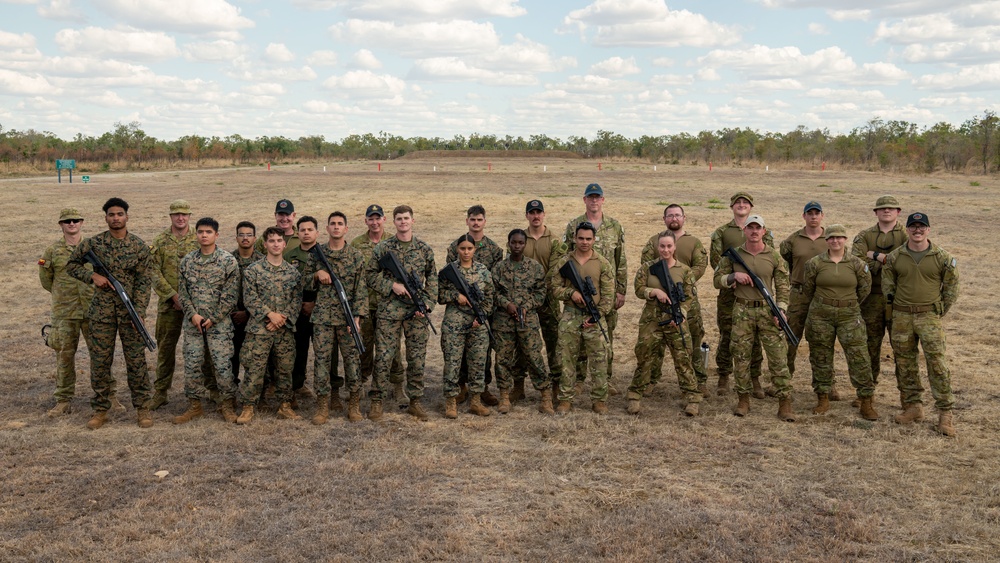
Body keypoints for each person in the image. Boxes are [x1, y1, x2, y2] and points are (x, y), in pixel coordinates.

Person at [66, 197, 155, 429]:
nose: (116, 218)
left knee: (136, 361)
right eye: (111, 214)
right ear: (105, 218)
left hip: (129, 312)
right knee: (100, 362)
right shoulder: (93, 244)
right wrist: (92, 276)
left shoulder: (138, 246)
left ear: (127, 216)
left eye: (120, 214)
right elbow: (72, 265)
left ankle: (143, 408)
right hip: (102, 313)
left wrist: (140, 311)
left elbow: (145, 281)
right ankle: (100, 410)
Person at [884, 212, 960, 437]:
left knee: (937, 364)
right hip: (902, 317)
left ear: (928, 229)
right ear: (906, 229)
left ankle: (945, 413)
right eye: (913, 226)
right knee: (905, 364)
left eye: (922, 226)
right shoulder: (896, 257)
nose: (917, 230)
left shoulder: (942, 257)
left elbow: (951, 289)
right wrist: (896, 313)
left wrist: (937, 311)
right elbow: (889, 289)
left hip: (929, 316)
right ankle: (913, 406)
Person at [713, 214, 794, 422]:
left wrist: (782, 309)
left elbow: (783, 286)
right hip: (742, 311)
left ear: (764, 231)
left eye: (758, 228)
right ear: (745, 231)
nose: (754, 231)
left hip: (768, 310)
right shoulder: (732, 256)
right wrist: (733, 277)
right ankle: (743, 399)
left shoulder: (774, 256)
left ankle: (784, 402)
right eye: (751, 228)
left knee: (778, 358)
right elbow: (716, 280)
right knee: (740, 357)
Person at [365, 205, 437, 421]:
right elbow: (369, 275)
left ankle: (415, 400)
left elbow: (432, 278)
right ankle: (377, 401)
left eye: (406, 218)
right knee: (385, 357)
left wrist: (427, 304)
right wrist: (391, 286)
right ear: (393, 222)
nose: (403, 222)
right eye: (399, 219)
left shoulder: (424, 249)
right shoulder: (384, 248)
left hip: (416, 311)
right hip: (390, 310)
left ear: (412, 221)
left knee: (416, 358)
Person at [39, 208, 113, 416]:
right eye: (67, 221)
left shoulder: (93, 247)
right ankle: (63, 399)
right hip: (65, 312)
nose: (71, 224)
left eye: (75, 221)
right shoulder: (52, 251)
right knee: (64, 356)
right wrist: (63, 294)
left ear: (81, 223)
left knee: (101, 354)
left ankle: (109, 395)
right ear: (61, 225)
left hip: (93, 309)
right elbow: (46, 280)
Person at [801, 224, 878, 420]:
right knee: (820, 356)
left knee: (859, 357)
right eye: (831, 238)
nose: (835, 241)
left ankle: (866, 401)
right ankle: (823, 397)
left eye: (839, 238)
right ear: (826, 240)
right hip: (820, 314)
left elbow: (865, 288)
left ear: (845, 240)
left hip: (849, 315)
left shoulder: (857, 264)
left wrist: (847, 303)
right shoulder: (815, 263)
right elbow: (808, 288)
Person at [173, 217, 241, 424]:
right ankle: (194, 406)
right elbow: (182, 293)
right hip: (193, 324)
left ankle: (227, 405)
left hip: (219, 325)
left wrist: (214, 318)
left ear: (216, 235)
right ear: (196, 234)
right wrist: (193, 314)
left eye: (208, 232)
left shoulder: (228, 261)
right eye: (201, 231)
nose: (204, 235)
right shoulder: (188, 261)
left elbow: (231, 296)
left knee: (222, 366)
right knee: (193, 365)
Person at [638, 204, 709, 395]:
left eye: (677, 215)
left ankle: (697, 380)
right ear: (664, 219)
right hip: (659, 304)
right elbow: (646, 266)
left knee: (691, 341)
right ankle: (651, 379)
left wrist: (680, 282)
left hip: (687, 301)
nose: (674, 218)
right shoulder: (655, 241)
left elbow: (700, 266)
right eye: (670, 215)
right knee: (655, 343)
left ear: (684, 218)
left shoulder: (693, 242)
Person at [563, 184, 626, 394]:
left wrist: (620, 290)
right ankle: (579, 379)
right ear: (585, 200)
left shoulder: (615, 227)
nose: (594, 201)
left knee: (605, 334)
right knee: (580, 336)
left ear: (603, 200)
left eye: (597, 197)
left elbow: (621, 260)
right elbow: (566, 259)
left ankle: (604, 380)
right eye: (590, 197)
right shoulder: (574, 225)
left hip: (606, 292)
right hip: (579, 293)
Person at [236, 227, 304, 424]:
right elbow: (250, 298)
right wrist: (270, 315)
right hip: (259, 329)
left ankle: (284, 405)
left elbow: (296, 300)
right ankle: (249, 406)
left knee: (284, 369)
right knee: (255, 368)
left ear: (284, 244)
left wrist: (282, 319)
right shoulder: (253, 271)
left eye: (279, 240)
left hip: (284, 329)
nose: (275, 244)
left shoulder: (293, 273)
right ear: (264, 244)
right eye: (271, 241)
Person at [628, 231, 700, 416]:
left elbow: (690, 297)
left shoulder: (685, 271)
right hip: (652, 318)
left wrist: (682, 313)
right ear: (657, 247)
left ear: (675, 247)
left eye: (669, 246)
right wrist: (654, 292)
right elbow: (638, 289)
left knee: (683, 356)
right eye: (662, 246)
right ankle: (635, 394)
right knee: (644, 354)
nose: (665, 249)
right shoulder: (647, 268)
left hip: (675, 319)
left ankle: (692, 397)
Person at [709, 192, 773, 397]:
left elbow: (768, 257)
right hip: (730, 294)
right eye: (738, 202)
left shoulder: (764, 231)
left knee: (754, 337)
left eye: (746, 202)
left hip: (755, 294)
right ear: (732, 206)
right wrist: (733, 278)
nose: (742, 205)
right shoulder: (721, 232)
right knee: (728, 334)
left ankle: (754, 378)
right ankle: (724, 375)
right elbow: (716, 262)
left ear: (751, 207)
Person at [308, 211, 368, 424]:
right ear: (327, 228)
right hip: (323, 317)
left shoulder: (356, 256)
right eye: (332, 224)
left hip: (347, 317)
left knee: (352, 362)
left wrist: (358, 317)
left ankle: (353, 403)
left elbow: (361, 289)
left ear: (346, 229)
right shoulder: (317, 254)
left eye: (339, 224)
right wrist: (316, 275)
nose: (335, 227)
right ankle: (322, 405)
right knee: (322, 362)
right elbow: (303, 282)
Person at [549, 222, 614, 415]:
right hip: (571, 314)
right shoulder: (564, 262)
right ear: (574, 239)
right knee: (566, 357)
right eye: (581, 238)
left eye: (588, 239)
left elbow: (609, 295)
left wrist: (597, 316)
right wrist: (571, 293)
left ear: (594, 240)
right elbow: (554, 288)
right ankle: (565, 399)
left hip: (595, 316)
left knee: (599, 358)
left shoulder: (602, 263)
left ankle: (599, 400)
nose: (584, 242)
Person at [446, 205, 504, 406]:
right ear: (467, 221)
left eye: (480, 219)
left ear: (484, 221)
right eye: (473, 219)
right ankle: (460, 387)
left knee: (482, 352)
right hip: (459, 311)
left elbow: (493, 283)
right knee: (457, 353)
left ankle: (482, 389)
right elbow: (448, 277)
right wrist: (457, 296)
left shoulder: (494, 250)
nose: (476, 223)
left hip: (483, 309)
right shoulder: (455, 246)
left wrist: (485, 311)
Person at [491, 229, 552, 414]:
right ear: (508, 243)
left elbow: (541, 292)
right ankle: (505, 395)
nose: (517, 246)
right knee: (503, 358)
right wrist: (506, 304)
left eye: (520, 243)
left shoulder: (534, 268)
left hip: (528, 320)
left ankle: (545, 396)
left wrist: (526, 306)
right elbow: (492, 292)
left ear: (525, 245)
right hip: (504, 321)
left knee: (534, 357)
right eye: (513, 242)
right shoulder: (499, 268)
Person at [851, 195, 907, 397]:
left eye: (891, 208)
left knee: (902, 348)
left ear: (898, 211)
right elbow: (857, 263)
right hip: (871, 299)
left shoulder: (907, 235)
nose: (886, 211)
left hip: (899, 300)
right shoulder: (864, 235)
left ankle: (907, 397)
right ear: (875, 212)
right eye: (882, 208)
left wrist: (874, 255)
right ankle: (866, 392)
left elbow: (907, 262)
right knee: (869, 347)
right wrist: (885, 262)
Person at [350, 204, 405, 403]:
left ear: (384, 220)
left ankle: (397, 384)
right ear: (366, 221)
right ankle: (363, 381)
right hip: (364, 304)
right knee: (363, 346)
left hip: (388, 305)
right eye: (370, 219)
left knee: (393, 348)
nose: (374, 222)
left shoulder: (393, 242)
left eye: (378, 218)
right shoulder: (356, 244)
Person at [148, 199, 199, 410]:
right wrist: (172, 296)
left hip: (196, 305)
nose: (181, 218)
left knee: (200, 348)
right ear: (170, 216)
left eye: (184, 214)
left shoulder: (200, 237)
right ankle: (161, 392)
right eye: (177, 214)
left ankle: (206, 389)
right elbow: (153, 270)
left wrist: (187, 299)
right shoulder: (160, 240)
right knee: (166, 349)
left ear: (189, 216)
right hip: (169, 305)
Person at [439, 234, 496, 418]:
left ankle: (475, 401)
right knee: (453, 363)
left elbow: (489, 297)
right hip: (454, 323)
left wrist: (482, 317)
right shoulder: (449, 271)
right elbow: (439, 295)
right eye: (462, 248)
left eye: (469, 248)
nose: (466, 252)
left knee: (478, 363)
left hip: (477, 324)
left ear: (475, 250)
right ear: (457, 249)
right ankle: (451, 401)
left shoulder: (483, 271)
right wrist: (457, 297)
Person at [780, 201, 830, 391]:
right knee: (791, 336)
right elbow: (785, 263)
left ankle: (827, 383)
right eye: (810, 213)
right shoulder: (792, 240)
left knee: (822, 339)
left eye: (817, 213)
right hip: (799, 293)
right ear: (804, 216)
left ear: (822, 216)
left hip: (823, 293)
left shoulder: (830, 238)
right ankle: (783, 378)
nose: (814, 216)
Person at [522, 199, 566, 399]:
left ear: (544, 214)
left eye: (539, 212)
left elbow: (556, 270)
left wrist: (539, 290)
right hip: (525, 300)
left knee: (553, 342)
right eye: (532, 212)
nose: (536, 216)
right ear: (527, 216)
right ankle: (518, 384)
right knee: (524, 342)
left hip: (548, 299)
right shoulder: (519, 239)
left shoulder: (555, 240)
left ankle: (556, 382)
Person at [284, 216, 320, 398]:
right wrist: (299, 306)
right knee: (298, 348)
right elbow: (285, 286)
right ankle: (297, 384)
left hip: (321, 307)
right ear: (298, 233)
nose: (306, 233)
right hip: (297, 308)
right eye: (303, 230)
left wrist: (316, 304)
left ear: (317, 233)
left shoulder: (325, 254)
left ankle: (326, 388)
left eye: (310, 229)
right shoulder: (289, 257)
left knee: (323, 350)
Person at [230, 221, 263, 385]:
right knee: (231, 356)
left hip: (256, 318)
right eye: (241, 234)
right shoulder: (228, 260)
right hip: (231, 317)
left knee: (255, 358)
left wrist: (248, 313)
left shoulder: (263, 262)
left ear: (255, 238)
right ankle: (231, 390)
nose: (245, 238)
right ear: (236, 237)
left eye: (249, 235)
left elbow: (266, 294)